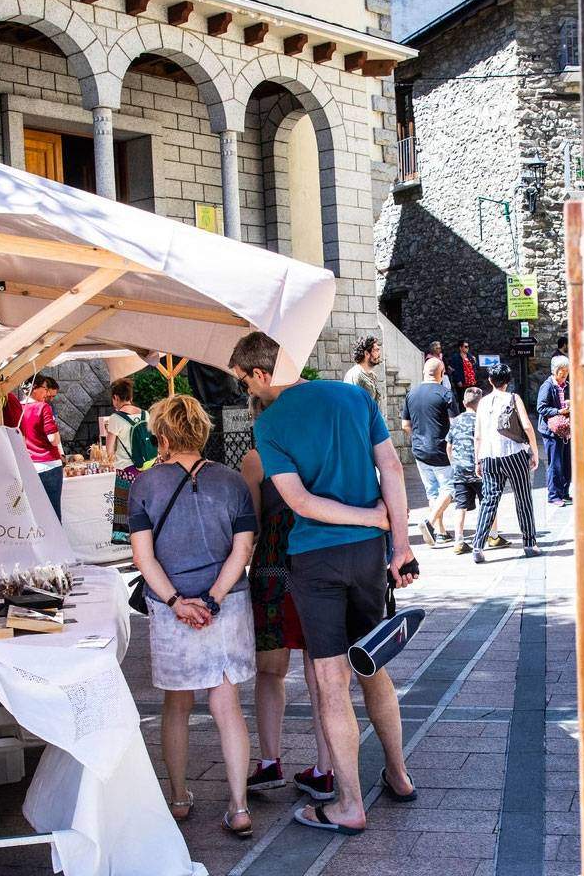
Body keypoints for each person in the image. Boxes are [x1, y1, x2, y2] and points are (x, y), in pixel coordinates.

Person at [229, 331, 417, 837]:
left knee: (332, 682)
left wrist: (366, 518)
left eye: (244, 380)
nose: (246, 389)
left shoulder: (269, 425)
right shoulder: (353, 396)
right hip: (368, 554)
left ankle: (350, 804)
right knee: (373, 666)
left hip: (315, 559)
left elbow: (301, 503)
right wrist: (397, 542)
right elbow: (392, 466)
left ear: (261, 373)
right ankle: (398, 774)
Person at [126, 395, 260, 838]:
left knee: (177, 704)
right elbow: (243, 550)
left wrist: (176, 602)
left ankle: (180, 797)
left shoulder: (142, 485)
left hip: (172, 607)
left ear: (162, 436)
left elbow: (142, 557)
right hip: (228, 603)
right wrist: (214, 599)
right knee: (226, 702)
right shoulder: (233, 481)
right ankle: (239, 806)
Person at [239, 394, 336, 802]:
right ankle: (326, 769)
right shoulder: (319, 450)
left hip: (272, 572)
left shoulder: (255, 459)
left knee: (270, 671)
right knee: (321, 675)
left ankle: (269, 762)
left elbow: (252, 525)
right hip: (317, 568)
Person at [472, 368, 542, 563]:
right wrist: (534, 451)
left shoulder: (483, 402)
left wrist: (477, 459)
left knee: (489, 500)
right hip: (513, 453)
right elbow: (526, 426)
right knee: (523, 497)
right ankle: (529, 544)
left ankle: (478, 546)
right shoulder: (513, 398)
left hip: (489, 456)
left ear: (490, 380)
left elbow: (478, 435)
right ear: (508, 381)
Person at [401, 357, 457, 547]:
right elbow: (454, 425)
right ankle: (430, 522)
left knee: (432, 492)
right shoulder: (445, 394)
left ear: (424, 372)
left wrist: (419, 437)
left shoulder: (411, 394)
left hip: (420, 451)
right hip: (442, 450)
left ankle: (440, 533)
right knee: (450, 488)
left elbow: (405, 425)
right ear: (441, 373)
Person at [444, 389, 502, 555]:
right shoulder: (483, 420)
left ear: (464, 403)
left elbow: (449, 446)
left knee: (460, 506)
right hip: (481, 469)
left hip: (460, 470)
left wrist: (454, 463)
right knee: (489, 501)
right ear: (481, 403)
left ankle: (459, 541)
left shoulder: (455, 421)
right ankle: (493, 536)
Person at [104, 379, 146, 545]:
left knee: (126, 510)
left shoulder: (116, 418)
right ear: (130, 396)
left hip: (126, 471)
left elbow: (109, 450)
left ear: (116, 397)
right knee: (145, 508)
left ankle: (131, 543)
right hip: (147, 469)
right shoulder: (145, 414)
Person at [20, 375, 65, 517]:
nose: (46, 392)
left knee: (35, 513)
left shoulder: (18, 407)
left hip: (29, 465)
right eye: (45, 388)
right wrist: (57, 435)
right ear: (34, 388)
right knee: (53, 512)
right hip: (49, 463)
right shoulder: (43, 407)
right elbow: (53, 439)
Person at [536, 355, 574, 507]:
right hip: (551, 431)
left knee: (566, 463)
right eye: (562, 373)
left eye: (567, 373)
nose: (565, 376)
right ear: (555, 371)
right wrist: (558, 411)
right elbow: (541, 408)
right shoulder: (547, 386)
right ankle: (553, 495)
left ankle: (564, 492)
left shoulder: (567, 385)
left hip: (565, 429)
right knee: (555, 464)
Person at [343, 336, 382, 405]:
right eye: (376, 350)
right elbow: (353, 404)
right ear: (366, 354)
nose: (379, 353)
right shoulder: (356, 375)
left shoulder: (372, 375)